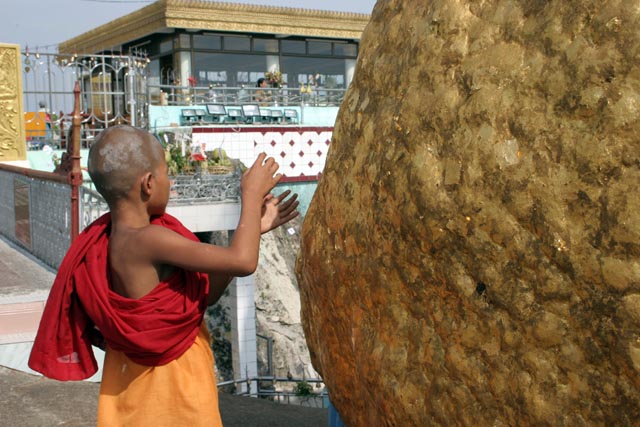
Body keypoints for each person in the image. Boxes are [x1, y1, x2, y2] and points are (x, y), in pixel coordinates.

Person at [28, 125, 299, 425]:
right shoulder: (150, 239)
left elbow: (206, 295)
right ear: (147, 184)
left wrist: (253, 231)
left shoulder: (108, 238)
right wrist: (249, 195)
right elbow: (243, 261)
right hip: (176, 388)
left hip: (133, 389)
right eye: (167, 174)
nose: (171, 183)